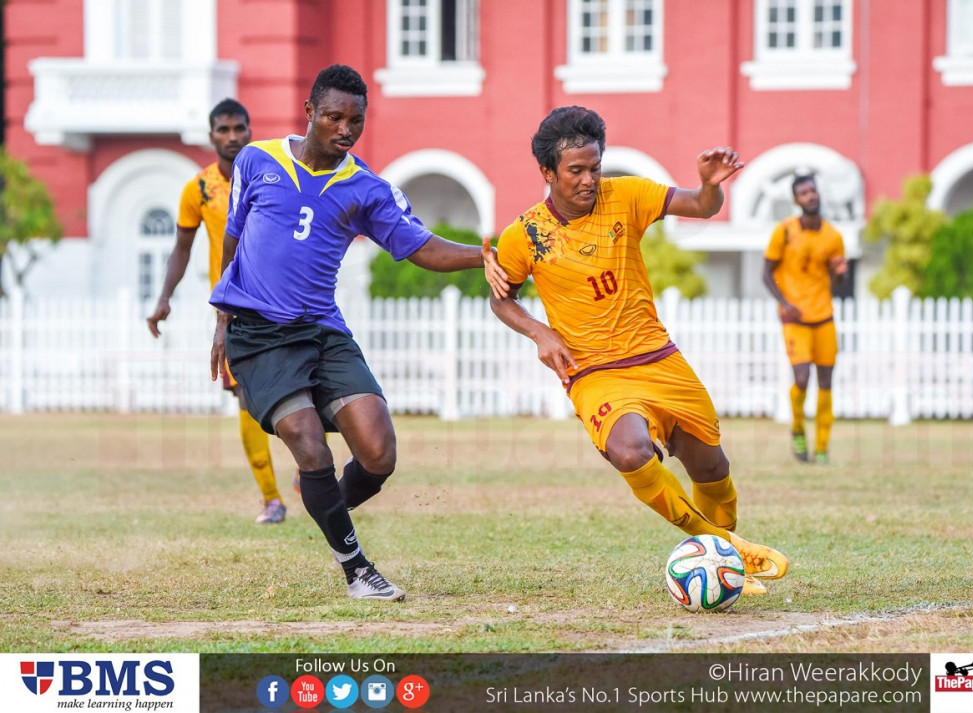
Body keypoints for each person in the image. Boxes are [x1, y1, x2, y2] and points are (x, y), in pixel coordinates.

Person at [209, 64, 509, 601]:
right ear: (309, 113)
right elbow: (231, 242)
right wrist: (221, 320)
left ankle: (323, 503)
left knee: (378, 454)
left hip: (322, 332)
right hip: (258, 333)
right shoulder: (257, 160)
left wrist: (486, 254)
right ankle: (356, 569)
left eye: (355, 120)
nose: (344, 128)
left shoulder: (367, 190)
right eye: (333, 116)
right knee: (305, 439)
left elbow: (423, 248)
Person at [486, 106, 788, 596]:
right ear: (547, 172)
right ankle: (724, 548)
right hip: (593, 371)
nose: (589, 180)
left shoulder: (625, 194)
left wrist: (711, 185)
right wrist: (540, 332)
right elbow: (502, 298)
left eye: (595, 167)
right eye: (576, 171)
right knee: (629, 450)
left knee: (712, 469)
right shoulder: (526, 234)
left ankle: (723, 563)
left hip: (658, 358)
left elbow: (700, 206)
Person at [147, 99, 288, 525]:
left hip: (280, 302)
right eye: (223, 129)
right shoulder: (199, 189)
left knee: (301, 386)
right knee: (246, 401)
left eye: (239, 128)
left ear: (249, 130)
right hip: (231, 310)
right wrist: (164, 297)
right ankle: (272, 499)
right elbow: (182, 248)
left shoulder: (270, 177)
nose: (232, 137)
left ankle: (308, 467)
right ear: (211, 136)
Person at [762, 174, 848, 465]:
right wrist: (785, 304)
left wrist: (840, 274)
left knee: (826, 381)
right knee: (802, 377)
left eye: (813, 191)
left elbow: (837, 284)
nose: (810, 196)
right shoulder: (784, 232)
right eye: (804, 193)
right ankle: (798, 429)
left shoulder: (833, 237)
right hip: (794, 319)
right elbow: (766, 273)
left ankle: (822, 448)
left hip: (824, 317)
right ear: (796, 200)